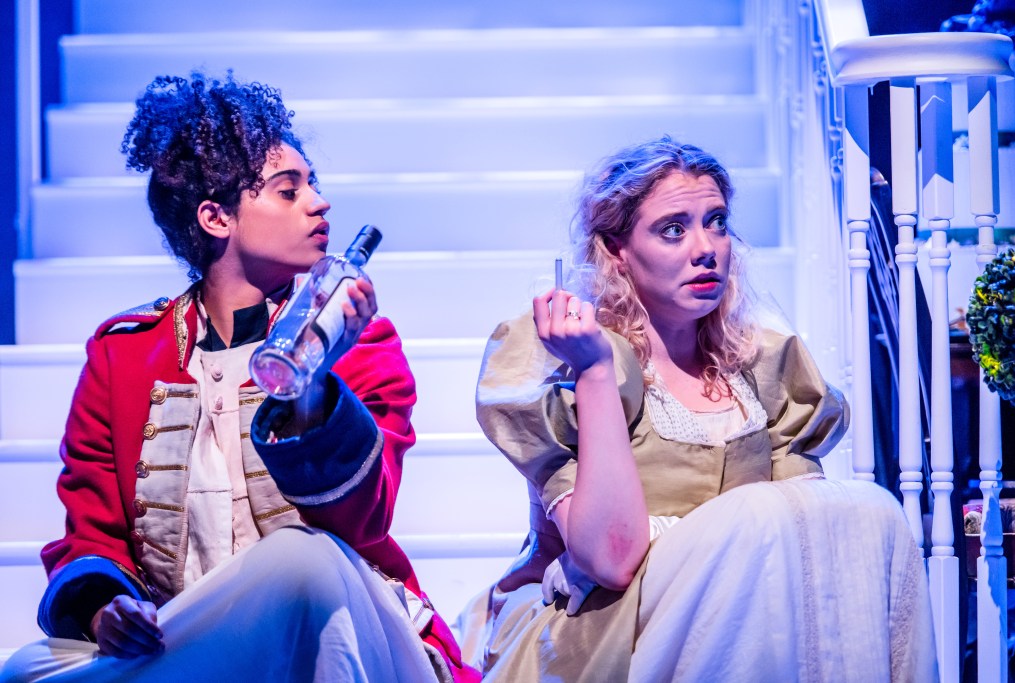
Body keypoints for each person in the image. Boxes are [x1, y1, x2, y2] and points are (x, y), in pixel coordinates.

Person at [1, 73, 478, 683]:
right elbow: (93, 530)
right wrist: (104, 611)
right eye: (289, 190)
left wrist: (312, 381)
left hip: (338, 616)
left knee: (301, 561)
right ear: (215, 217)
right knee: (30, 669)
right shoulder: (122, 356)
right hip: (196, 629)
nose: (319, 203)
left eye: (313, 185)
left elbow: (364, 518)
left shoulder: (361, 342)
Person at [472, 137, 938, 681]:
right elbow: (610, 560)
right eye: (673, 229)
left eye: (716, 222)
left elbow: (803, 533)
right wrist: (595, 370)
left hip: (751, 625)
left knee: (872, 513)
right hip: (607, 627)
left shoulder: (763, 366)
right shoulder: (571, 360)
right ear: (616, 249)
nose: (706, 248)